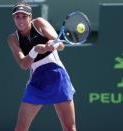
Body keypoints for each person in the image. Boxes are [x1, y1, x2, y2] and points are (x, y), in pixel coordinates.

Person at [8, 2, 76, 131]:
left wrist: (53, 45)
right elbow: (23, 64)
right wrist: (34, 51)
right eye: (17, 16)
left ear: (30, 17)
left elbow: (60, 44)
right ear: (14, 18)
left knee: (69, 128)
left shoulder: (39, 23)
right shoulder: (13, 39)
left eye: (24, 16)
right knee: (20, 128)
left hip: (57, 76)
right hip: (37, 82)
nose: (21, 20)